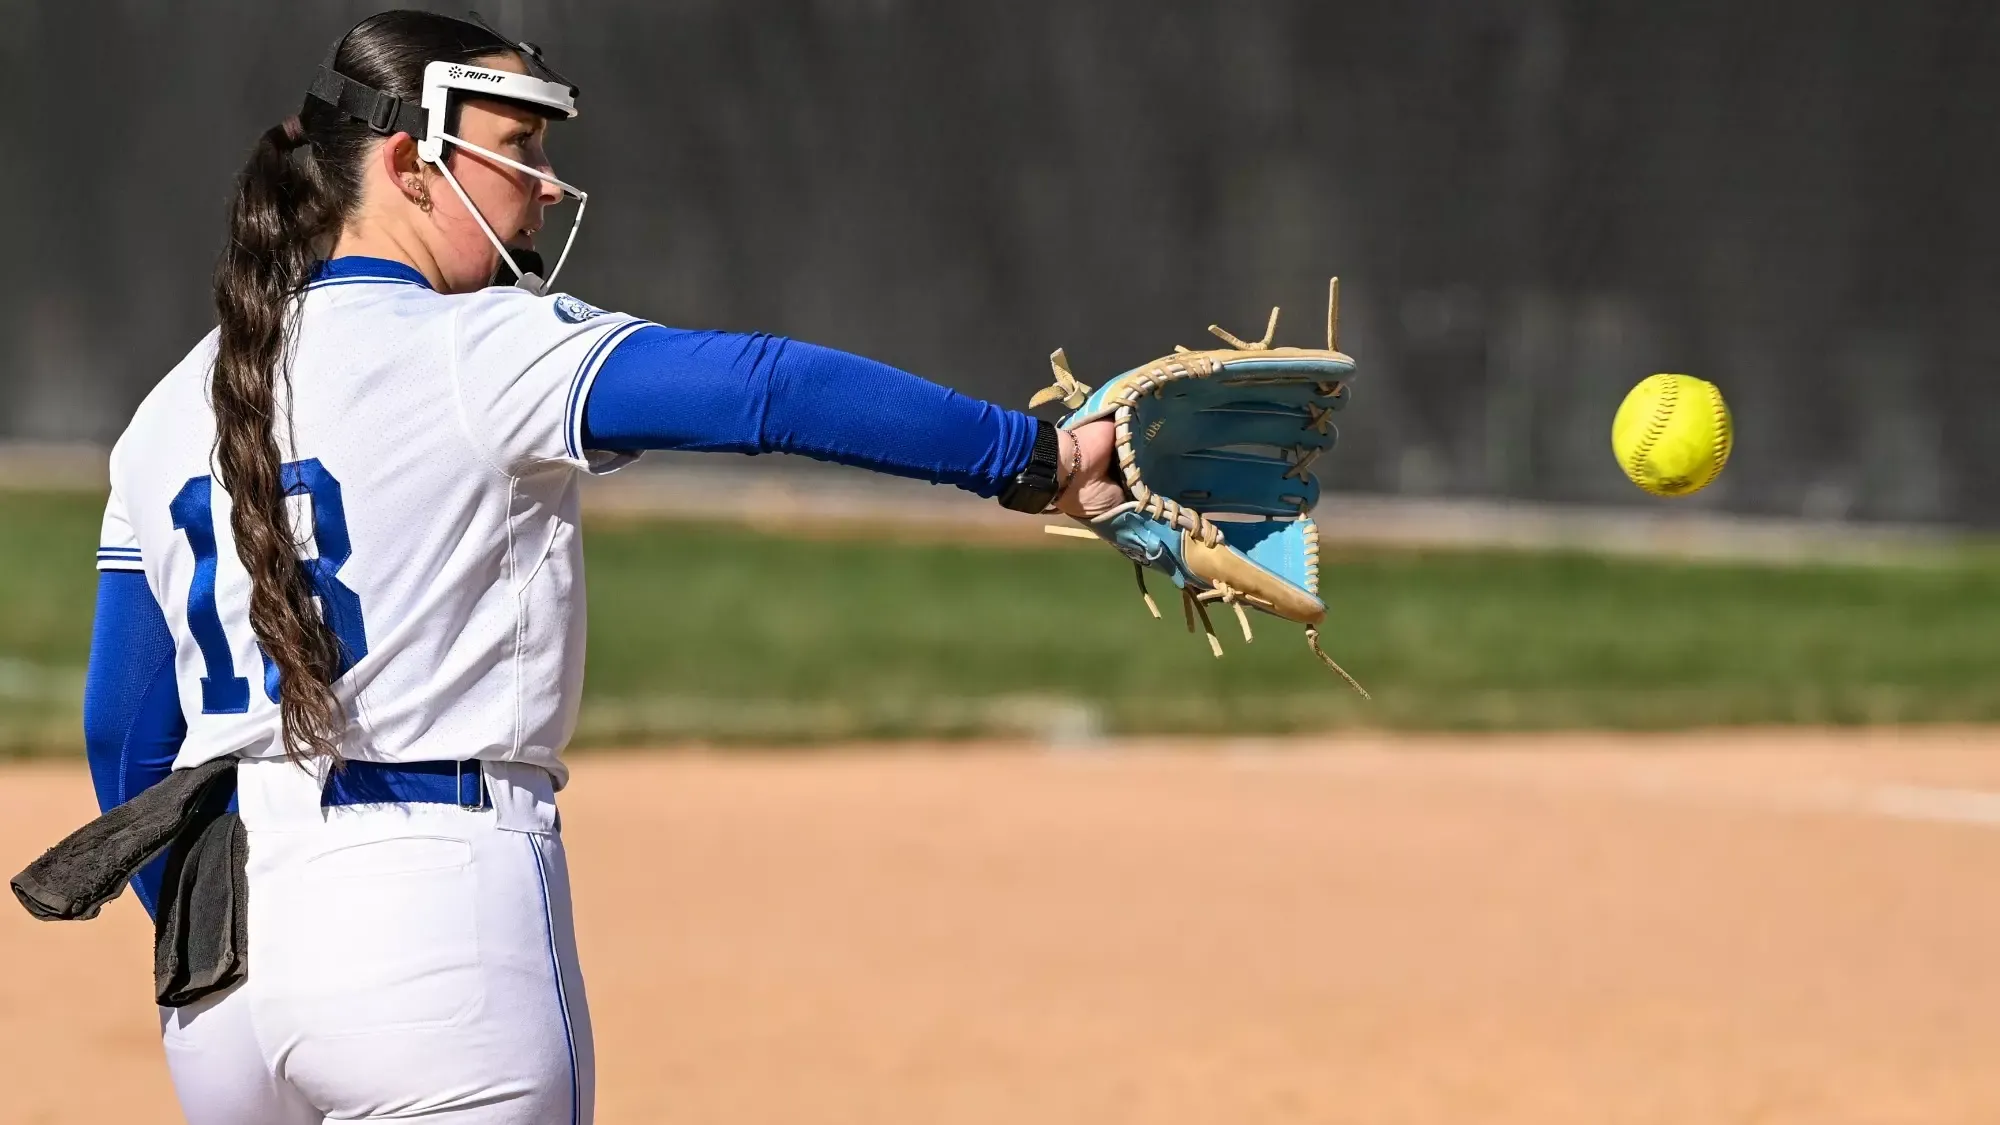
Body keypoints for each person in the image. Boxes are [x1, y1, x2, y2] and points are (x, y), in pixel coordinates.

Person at [82, 10, 1118, 1123]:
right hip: (436, 926)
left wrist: (227, 934)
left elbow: (122, 730)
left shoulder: (169, 408)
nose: (546, 184)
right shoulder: (480, 348)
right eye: (518, 148)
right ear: (404, 161)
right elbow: (767, 390)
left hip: (226, 963)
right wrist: (1035, 458)